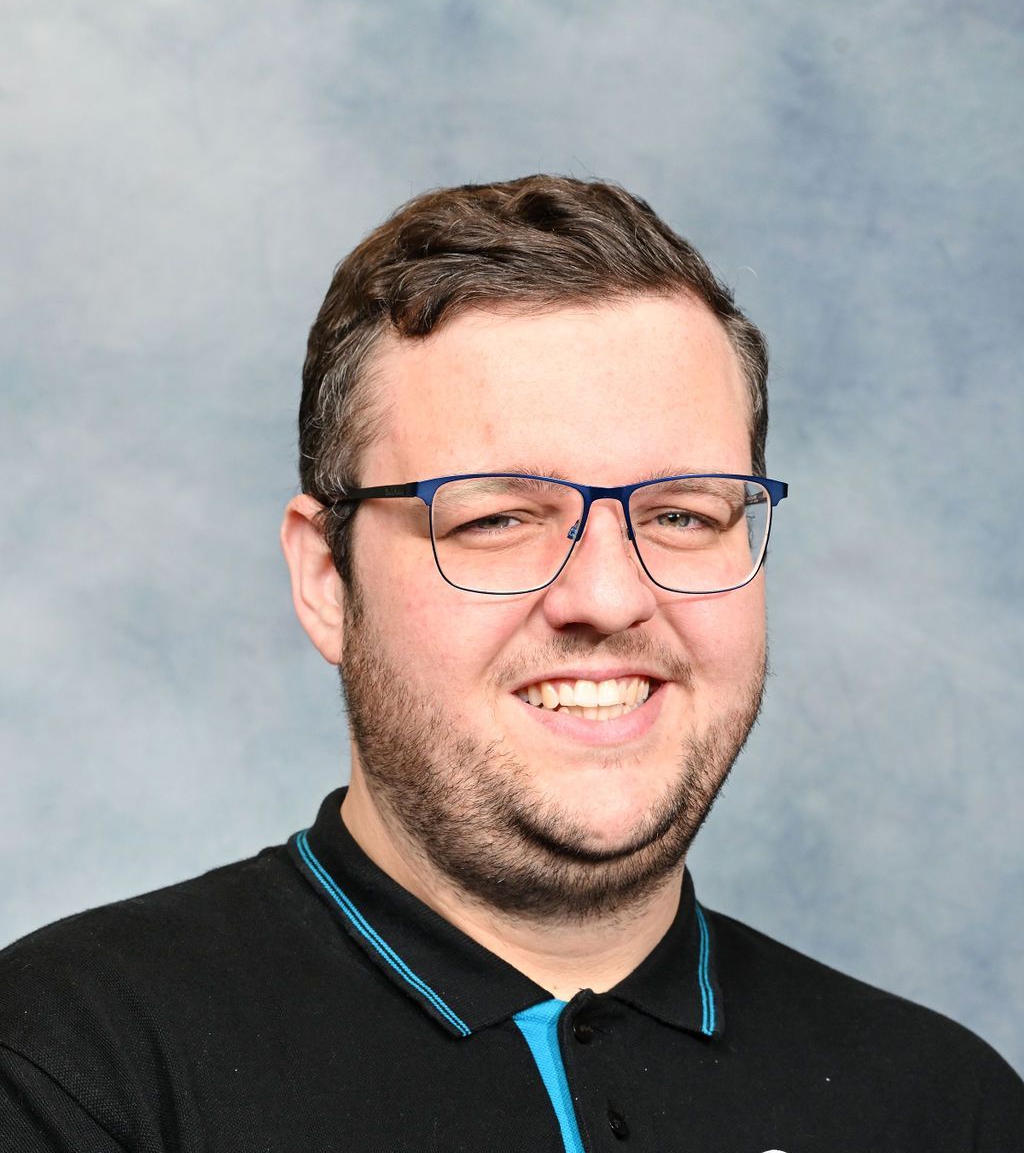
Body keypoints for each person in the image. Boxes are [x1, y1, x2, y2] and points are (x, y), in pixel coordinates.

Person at [1, 175, 1021, 1153]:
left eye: (681, 513)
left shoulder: (949, 1108)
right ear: (326, 578)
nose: (609, 597)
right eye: (497, 519)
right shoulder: (66, 1077)